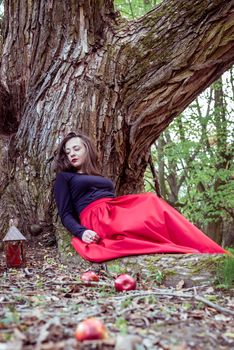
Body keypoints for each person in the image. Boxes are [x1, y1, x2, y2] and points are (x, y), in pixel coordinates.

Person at [54, 132, 227, 262]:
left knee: (151, 202)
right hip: (97, 218)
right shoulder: (65, 177)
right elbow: (65, 213)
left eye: (76, 149)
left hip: (113, 209)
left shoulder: (97, 175)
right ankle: (197, 248)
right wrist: (81, 232)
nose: (72, 154)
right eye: (68, 152)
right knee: (146, 209)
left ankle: (209, 249)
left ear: (87, 149)